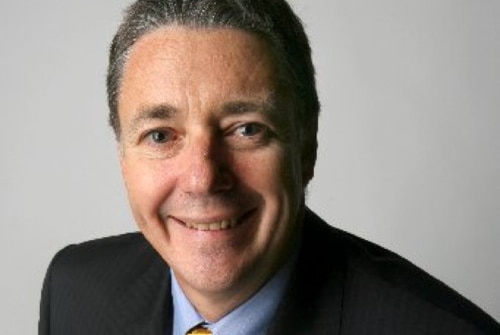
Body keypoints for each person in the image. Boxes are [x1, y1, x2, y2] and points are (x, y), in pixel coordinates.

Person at [38, 0, 500, 334]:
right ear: (122, 156)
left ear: (306, 144)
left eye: (247, 130)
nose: (202, 179)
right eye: (160, 135)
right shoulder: (74, 292)